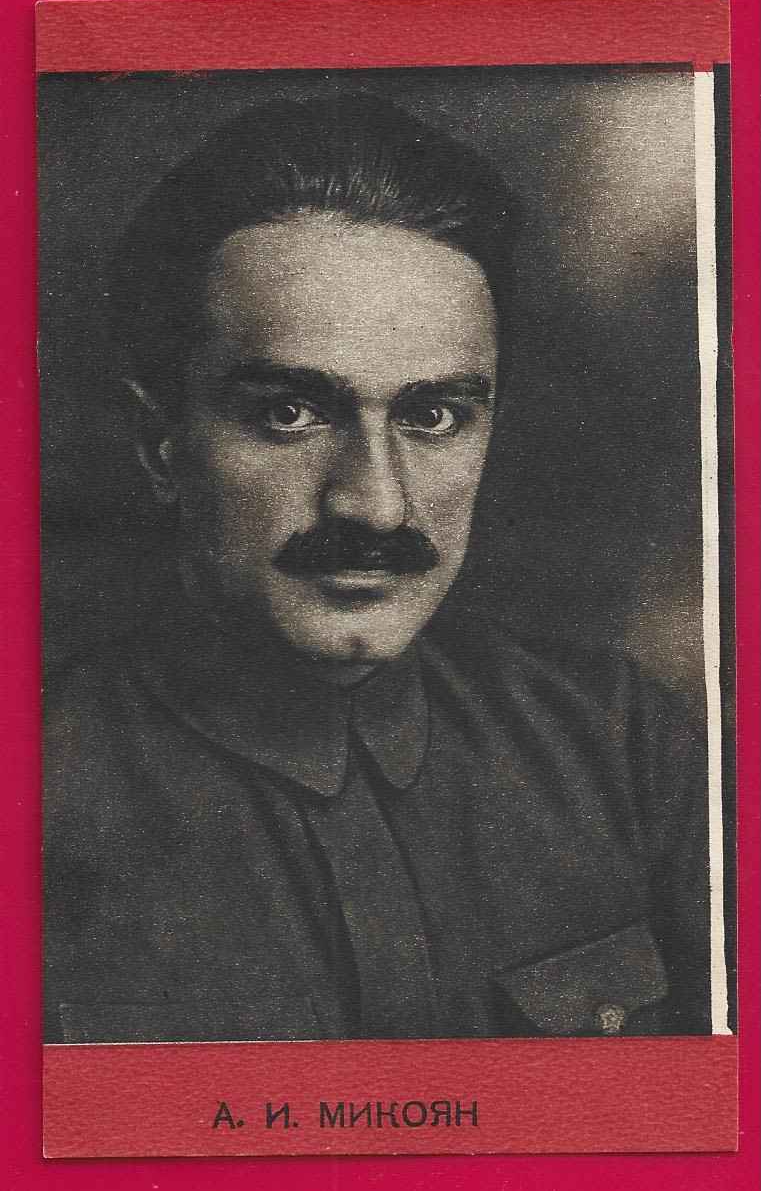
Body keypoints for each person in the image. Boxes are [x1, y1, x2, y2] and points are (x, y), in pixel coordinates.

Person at [43, 93, 710, 1044]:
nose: (375, 505)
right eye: (289, 414)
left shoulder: (620, 747)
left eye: (432, 417)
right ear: (163, 444)